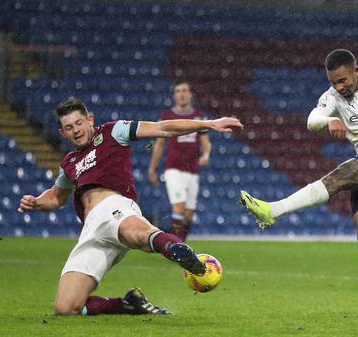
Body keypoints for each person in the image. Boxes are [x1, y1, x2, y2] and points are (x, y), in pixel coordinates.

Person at [239, 49, 358, 324]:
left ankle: (274, 210)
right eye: (334, 82)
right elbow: (311, 120)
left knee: (339, 177)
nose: (340, 87)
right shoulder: (333, 96)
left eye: (343, 80)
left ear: (356, 70)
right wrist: (330, 119)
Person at [18, 97, 242, 316]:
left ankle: (179, 250)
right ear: (62, 133)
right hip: (91, 231)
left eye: (79, 123)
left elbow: (163, 129)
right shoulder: (69, 163)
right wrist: (37, 202)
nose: (75, 130)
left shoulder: (113, 132)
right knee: (66, 307)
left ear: (90, 120)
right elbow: (56, 197)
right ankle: (128, 304)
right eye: (69, 127)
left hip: (115, 207)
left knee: (137, 234)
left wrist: (208, 124)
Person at [148, 80, 211, 240]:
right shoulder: (167, 117)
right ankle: (176, 249)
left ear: (190, 94)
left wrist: (205, 155)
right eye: (178, 91)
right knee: (179, 207)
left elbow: (205, 142)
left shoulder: (198, 117)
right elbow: (159, 144)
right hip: (173, 169)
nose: (181, 94)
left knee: (189, 214)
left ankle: (181, 243)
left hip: (192, 170)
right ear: (174, 95)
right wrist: (152, 169)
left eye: (184, 90)